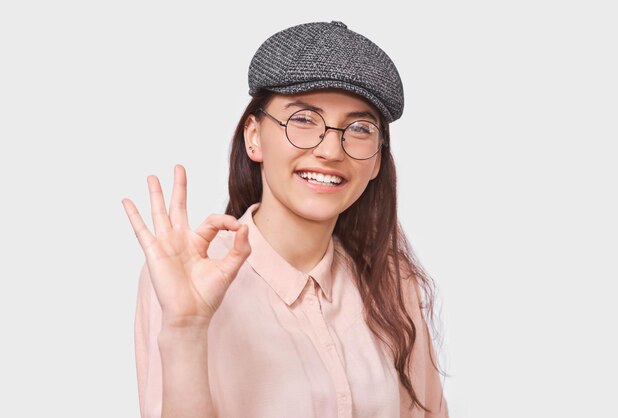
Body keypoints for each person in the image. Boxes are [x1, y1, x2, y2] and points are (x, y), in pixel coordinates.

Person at [122, 20, 449, 418]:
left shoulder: (393, 280)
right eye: (304, 119)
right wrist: (186, 329)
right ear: (254, 136)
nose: (330, 149)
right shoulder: (188, 276)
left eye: (359, 127)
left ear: (378, 157)